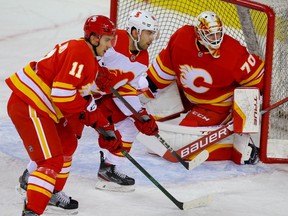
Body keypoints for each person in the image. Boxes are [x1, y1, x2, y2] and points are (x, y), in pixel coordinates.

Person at [6, 15, 127, 216]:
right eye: (106, 40)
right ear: (94, 38)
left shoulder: (85, 53)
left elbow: (77, 97)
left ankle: (51, 192)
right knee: (50, 161)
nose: (109, 45)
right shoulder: (81, 53)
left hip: (43, 106)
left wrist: (103, 127)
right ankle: (32, 211)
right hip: (29, 104)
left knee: (68, 144)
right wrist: (95, 119)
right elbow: (63, 96)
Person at [142, 11, 265, 164]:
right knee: (147, 114)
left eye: (218, 34)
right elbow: (164, 68)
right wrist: (141, 93)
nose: (216, 39)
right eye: (210, 35)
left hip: (214, 106)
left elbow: (258, 80)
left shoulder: (234, 54)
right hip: (185, 93)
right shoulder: (182, 38)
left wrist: (244, 113)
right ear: (199, 34)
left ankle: (236, 148)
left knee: (184, 140)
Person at [68, 9, 160, 192]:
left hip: (99, 98)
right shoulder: (113, 40)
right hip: (75, 93)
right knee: (65, 140)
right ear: (135, 32)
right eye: (149, 33)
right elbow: (83, 55)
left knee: (131, 124)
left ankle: (109, 169)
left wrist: (140, 115)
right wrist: (95, 72)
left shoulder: (143, 58)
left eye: (153, 33)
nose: (152, 38)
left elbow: (126, 88)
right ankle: (33, 176)